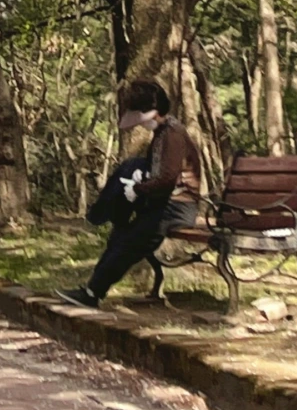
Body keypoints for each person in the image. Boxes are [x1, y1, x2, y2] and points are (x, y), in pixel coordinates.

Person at [57, 79, 202, 308]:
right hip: (163, 204)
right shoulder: (163, 133)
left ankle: (93, 292)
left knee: (129, 243)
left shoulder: (172, 134)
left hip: (175, 208)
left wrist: (138, 188)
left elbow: (166, 180)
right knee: (120, 234)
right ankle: (92, 290)